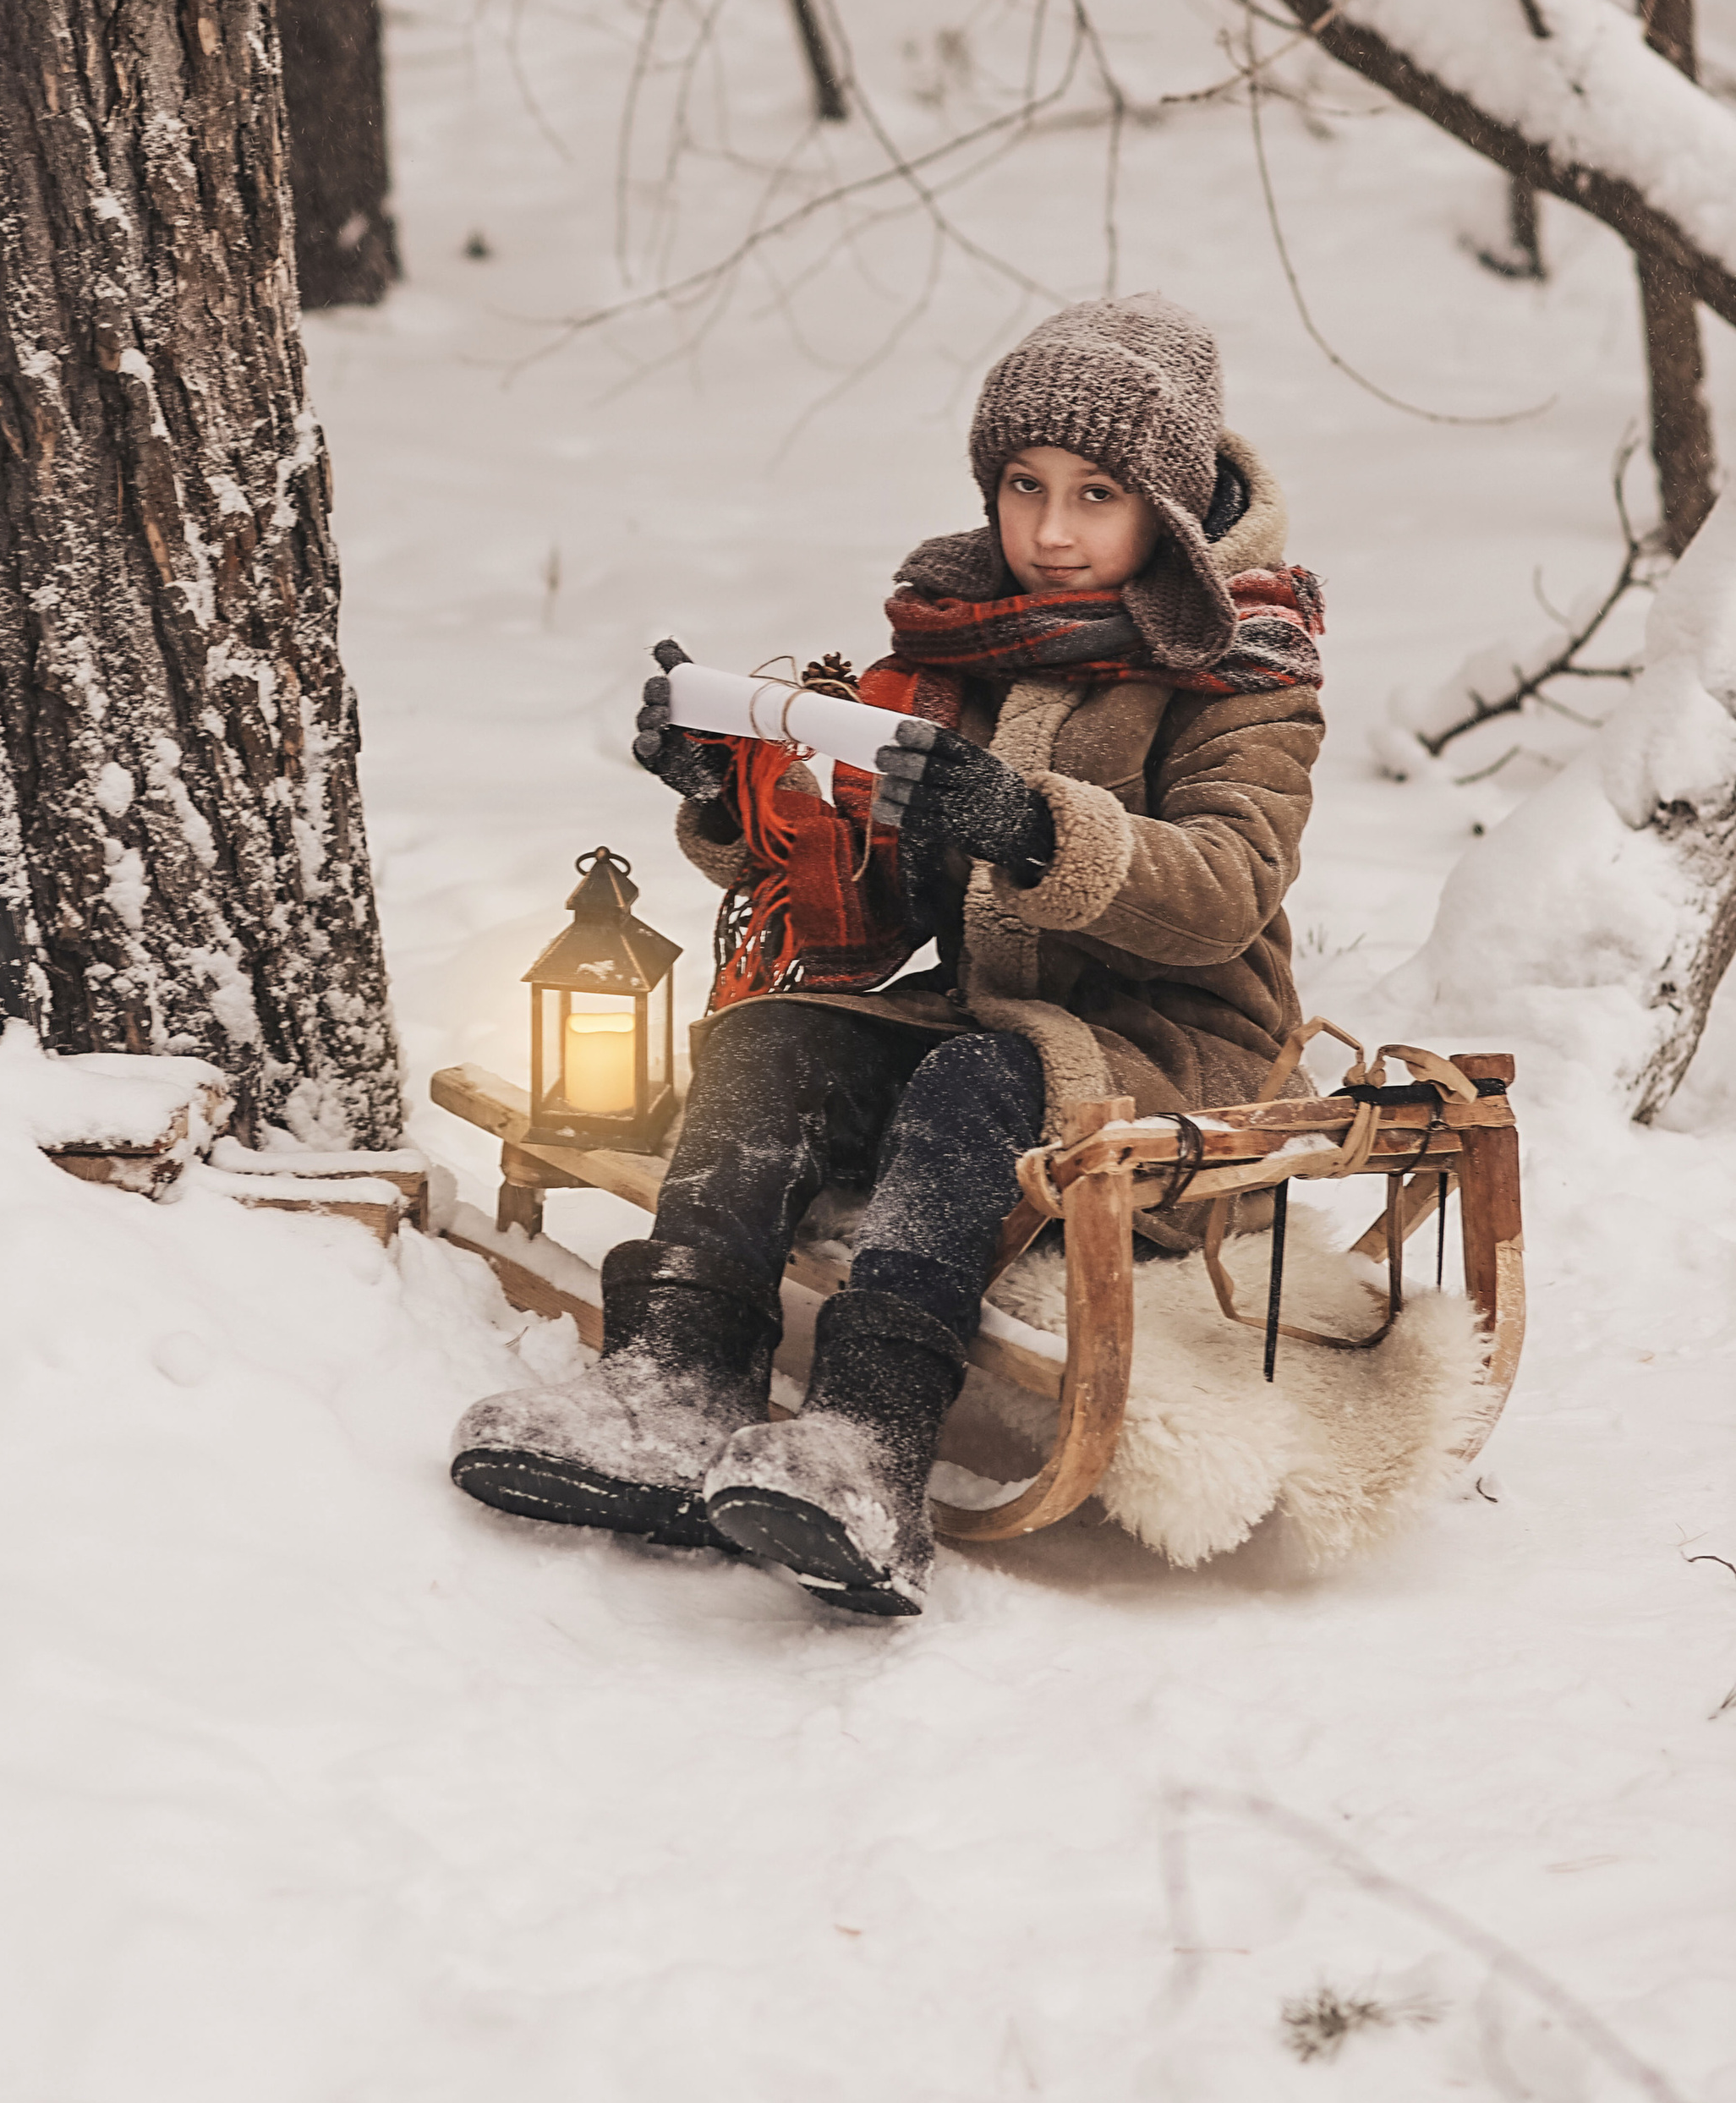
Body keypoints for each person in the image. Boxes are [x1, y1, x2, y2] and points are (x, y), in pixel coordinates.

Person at [451, 294, 1324, 1616]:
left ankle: (869, 1439)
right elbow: (865, 906)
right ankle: (676, 1381)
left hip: (1174, 1052)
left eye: (1097, 494)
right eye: (1023, 486)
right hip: (985, 1015)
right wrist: (728, 790)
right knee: (775, 1037)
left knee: (976, 1088)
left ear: (1174, 506)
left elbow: (1224, 886)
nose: (1050, 528)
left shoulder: (1249, 670)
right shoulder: (957, 641)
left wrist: (1034, 826)